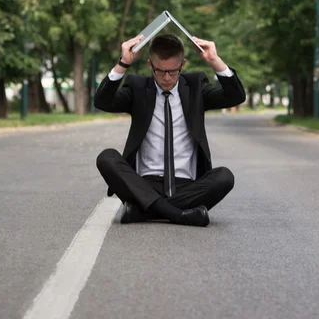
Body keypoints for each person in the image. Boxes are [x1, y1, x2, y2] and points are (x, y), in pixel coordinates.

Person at [95, 33, 246, 227]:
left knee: (225, 177)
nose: (167, 78)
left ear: (182, 65)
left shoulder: (196, 86)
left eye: (173, 72)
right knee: (106, 158)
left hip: (187, 186)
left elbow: (235, 97)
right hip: (143, 184)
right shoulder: (138, 88)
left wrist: (215, 61)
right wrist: (123, 63)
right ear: (150, 65)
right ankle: (178, 215)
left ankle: (143, 211)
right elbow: (103, 101)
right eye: (160, 71)